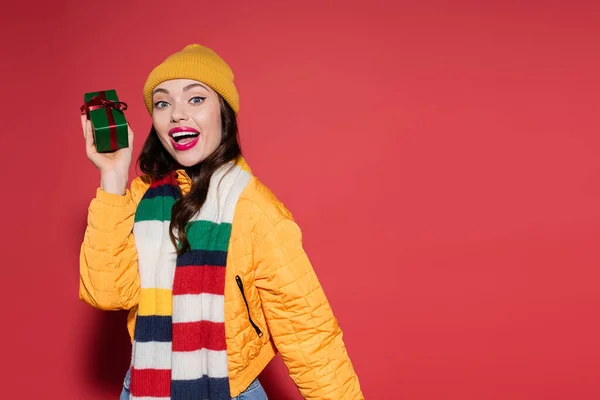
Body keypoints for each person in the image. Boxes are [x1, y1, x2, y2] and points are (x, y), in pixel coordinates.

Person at [79, 44, 363, 400]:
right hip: (143, 388)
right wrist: (112, 176)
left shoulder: (255, 208)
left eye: (196, 99)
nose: (177, 115)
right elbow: (106, 293)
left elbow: (308, 332)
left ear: (223, 113)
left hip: (229, 391)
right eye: (163, 104)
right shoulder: (138, 197)